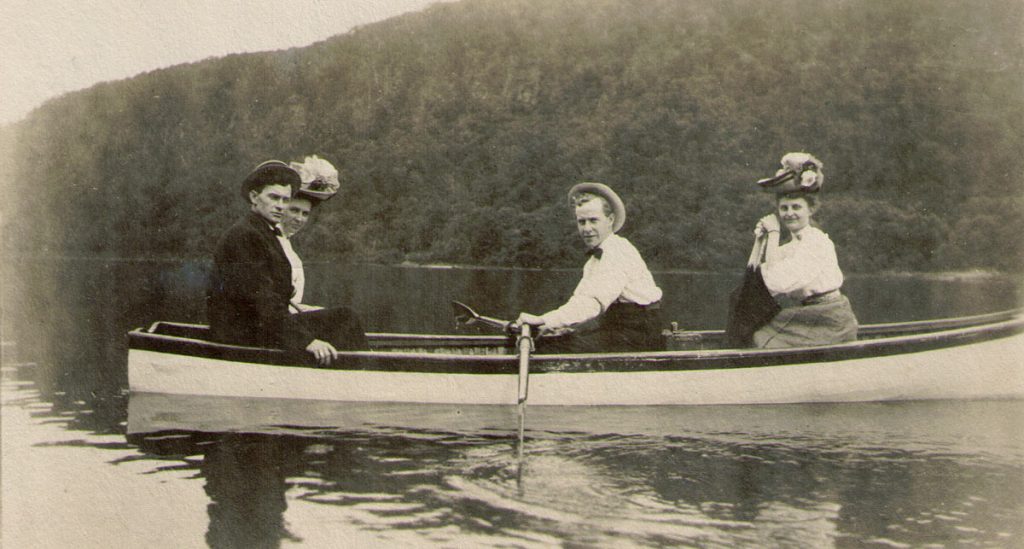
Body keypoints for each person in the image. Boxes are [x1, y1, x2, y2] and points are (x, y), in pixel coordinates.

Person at [206, 160, 367, 365]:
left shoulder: (263, 232)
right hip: (240, 336)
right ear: (254, 197)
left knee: (340, 318)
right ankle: (365, 378)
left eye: (284, 200)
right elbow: (261, 301)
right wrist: (307, 341)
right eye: (274, 198)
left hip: (254, 327)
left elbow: (269, 297)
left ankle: (350, 373)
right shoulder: (246, 235)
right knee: (345, 319)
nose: (280, 206)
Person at [515, 182, 664, 353]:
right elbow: (580, 299)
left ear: (610, 220)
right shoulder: (594, 261)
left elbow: (593, 303)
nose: (587, 229)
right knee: (551, 338)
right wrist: (552, 325)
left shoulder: (617, 251)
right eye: (582, 222)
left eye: (593, 220)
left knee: (550, 347)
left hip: (639, 333)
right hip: (618, 328)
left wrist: (544, 319)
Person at [748, 152, 858, 348]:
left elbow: (776, 282)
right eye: (784, 208)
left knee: (758, 337)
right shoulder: (790, 248)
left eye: (796, 207)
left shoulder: (817, 243)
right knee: (751, 330)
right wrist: (760, 241)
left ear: (810, 209)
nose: (789, 214)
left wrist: (773, 233)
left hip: (831, 320)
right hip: (808, 315)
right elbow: (757, 279)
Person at [277, 155, 342, 314]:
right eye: (294, 210)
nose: (299, 218)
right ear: (282, 207)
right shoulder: (272, 241)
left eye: (305, 214)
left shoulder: (288, 246)